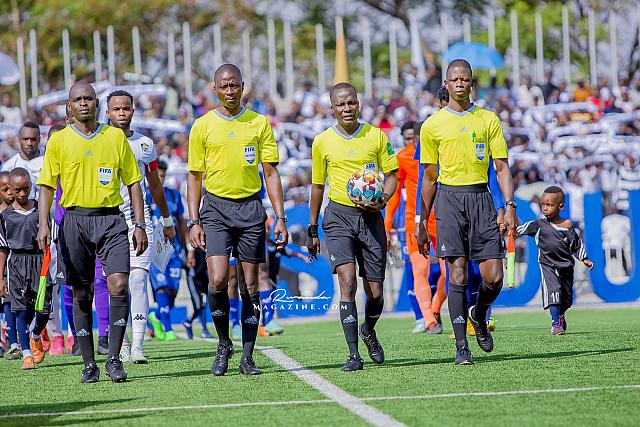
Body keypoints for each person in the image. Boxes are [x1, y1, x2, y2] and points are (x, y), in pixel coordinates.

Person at [36, 82, 148, 383]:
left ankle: (114, 359)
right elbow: (46, 185)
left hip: (111, 220)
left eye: (89, 98)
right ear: (69, 107)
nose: (84, 103)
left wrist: (139, 225)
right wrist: (44, 224)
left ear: (97, 104)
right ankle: (89, 363)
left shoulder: (114, 137)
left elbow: (134, 183)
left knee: (119, 284)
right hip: (74, 221)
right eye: (78, 99)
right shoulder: (59, 140)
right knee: (81, 292)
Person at [187, 64, 288, 376]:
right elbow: (194, 176)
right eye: (224, 86)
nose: (230, 91)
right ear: (214, 89)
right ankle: (223, 344)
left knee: (250, 286)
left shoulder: (258, 122)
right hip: (215, 210)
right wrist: (194, 221)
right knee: (218, 280)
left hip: (250, 210)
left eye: (234, 85)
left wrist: (280, 217)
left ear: (243, 86)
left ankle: (247, 356)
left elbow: (270, 172)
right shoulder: (202, 125)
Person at [418, 59, 516, 365]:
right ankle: (462, 347)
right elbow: (429, 178)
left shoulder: (488, 119)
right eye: (455, 79)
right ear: (446, 84)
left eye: (465, 79)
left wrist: (509, 206)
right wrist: (422, 221)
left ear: (471, 83)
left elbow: (501, 167)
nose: (460, 83)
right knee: (457, 272)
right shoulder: (432, 125)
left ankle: (480, 314)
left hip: (481, 198)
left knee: (494, 277)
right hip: (449, 200)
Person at [307, 82, 399, 371]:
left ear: (358, 104)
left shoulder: (376, 136)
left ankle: (368, 330)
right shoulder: (322, 141)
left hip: (371, 219)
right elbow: (317, 186)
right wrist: (312, 228)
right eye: (341, 104)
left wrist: (383, 199)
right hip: (338, 217)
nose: (347, 108)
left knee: (376, 293)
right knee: (347, 281)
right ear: (332, 108)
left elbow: (392, 175)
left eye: (351, 103)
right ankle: (353, 355)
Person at [105, 90, 175, 363]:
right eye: (117, 109)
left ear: (133, 111)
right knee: (117, 285)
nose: (122, 112)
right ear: (107, 113)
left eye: (126, 108)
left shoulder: (145, 144)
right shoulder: (100, 140)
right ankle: (120, 343)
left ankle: (137, 346)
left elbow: (155, 186)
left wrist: (167, 220)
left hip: (139, 221)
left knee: (137, 281)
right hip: (107, 221)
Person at [385, 121, 442, 334]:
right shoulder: (403, 157)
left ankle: (435, 307)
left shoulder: (443, 153)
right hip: (415, 222)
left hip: (444, 220)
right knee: (420, 269)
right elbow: (394, 195)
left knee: (450, 272)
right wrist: (387, 226)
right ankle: (428, 319)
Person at [516, 186, 594, 335]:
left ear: (561, 206)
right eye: (543, 204)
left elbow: (576, 244)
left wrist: (584, 259)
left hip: (566, 266)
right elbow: (520, 229)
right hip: (547, 265)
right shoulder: (538, 225)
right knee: (553, 291)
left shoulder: (567, 225)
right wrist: (511, 230)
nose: (545, 208)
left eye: (549, 205)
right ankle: (555, 322)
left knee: (567, 298)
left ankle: (561, 314)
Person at [0, 168, 52, 369]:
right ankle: (27, 355)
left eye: (26, 189)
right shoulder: (5, 216)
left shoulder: (41, 210)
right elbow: (3, 248)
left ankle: (35, 334)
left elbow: (53, 238)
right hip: (17, 264)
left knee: (45, 309)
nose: (22, 194)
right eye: (17, 190)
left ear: (31, 186)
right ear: (10, 189)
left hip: (40, 262)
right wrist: (1, 277)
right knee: (20, 310)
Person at [145, 160, 185, 342]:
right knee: (161, 286)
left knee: (172, 290)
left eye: (162, 176)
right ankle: (168, 329)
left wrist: (186, 248)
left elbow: (181, 223)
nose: (159, 179)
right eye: (157, 175)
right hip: (154, 250)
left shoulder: (174, 196)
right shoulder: (144, 195)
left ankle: (156, 317)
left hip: (174, 251)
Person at [0, 171, 18, 359]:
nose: (10, 193)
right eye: (5, 190)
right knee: (6, 303)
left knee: (11, 303)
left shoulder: (18, 213)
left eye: (11, 189)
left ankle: (16, 342)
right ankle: (6, 343)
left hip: (14, 266)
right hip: (2, 267)